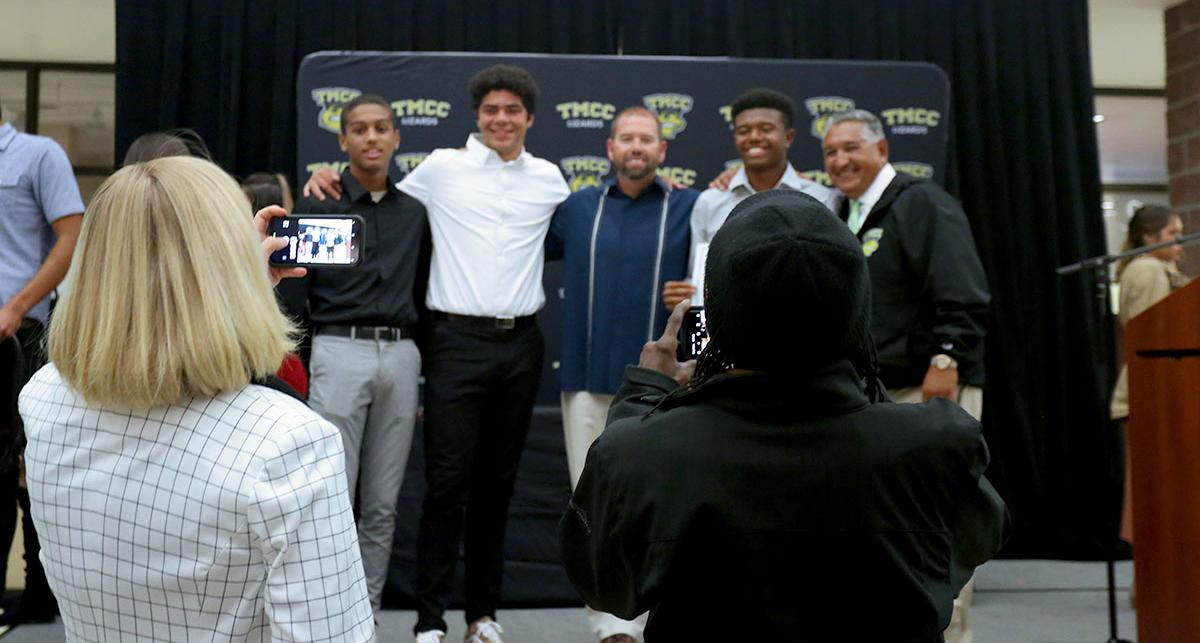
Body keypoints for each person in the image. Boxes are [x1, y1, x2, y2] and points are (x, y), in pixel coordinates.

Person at [559, 190, 1009, 641]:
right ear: (857, 309)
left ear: (715, 312)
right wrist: (864, 378)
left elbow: (606, 582)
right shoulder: (937, 444)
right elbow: (976, 540)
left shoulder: (644, 451)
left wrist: (643, 394)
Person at [17, 156, 374, 641]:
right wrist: (241, 293)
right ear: (230, 263)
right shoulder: (289, 444)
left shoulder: (42, 399)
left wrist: (240, 293)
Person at [304, 64, 570, 643]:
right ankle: (429, 620)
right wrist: (326, 177)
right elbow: (376, 189)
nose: (502, 119)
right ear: (477, 116)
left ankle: (483, 615)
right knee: (446, 486)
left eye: (513, 111)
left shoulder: (550, 178)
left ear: (529, 118)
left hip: (522, 344)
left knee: (498, 487)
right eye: (492, 110)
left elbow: (594, 218)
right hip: (453, 344)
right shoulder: (441, 171)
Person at [823, 108, 990, 642]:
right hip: (866, 397)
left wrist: (945, 360)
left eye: (851, 148)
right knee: (880, 536)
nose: (840, 160)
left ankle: (949, 636)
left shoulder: (924, 204)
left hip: (928, 387)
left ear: (882, 149)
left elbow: (963, 293)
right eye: (830, 152)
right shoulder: (841, 213)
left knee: (935, 528)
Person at [545, 106, 698, 643]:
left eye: (647, 140)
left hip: (666, 385)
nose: (636, 148)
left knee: (659, 506)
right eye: (626, 139)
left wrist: (695, 291)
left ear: (662, 150)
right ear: (610, 149)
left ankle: (660, 618)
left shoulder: (691, 206)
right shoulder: (576, 208)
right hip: (587, 378)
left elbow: (715, 264)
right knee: (595, 504)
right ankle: (612, 628)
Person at [293, 93, 431, 619]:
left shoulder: (415, 213)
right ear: (343, 140)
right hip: (337, 350)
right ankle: (327, 612)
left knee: (382, 503)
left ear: (396, 137)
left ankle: (364, 613)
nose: (372, 137)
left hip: (401, 356)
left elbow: (423, 291)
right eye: (360, 129)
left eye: (382, 128)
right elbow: (296, 298)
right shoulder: (318, 206)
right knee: (332, 496)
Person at [0, 103, 84, 626]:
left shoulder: (37, 154)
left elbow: (70, 236)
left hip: (18, 339)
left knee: (29, 468)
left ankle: (40, 596)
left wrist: (14, 307)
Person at [662, 88, 836, 308]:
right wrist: (682, 295)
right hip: (728, 335)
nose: (754, 137)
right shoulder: (709, 202)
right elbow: (697, 277)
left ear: (788, 137)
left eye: (766, 129)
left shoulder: (821, 200)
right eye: (744, 130)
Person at [1110, 204, 1188, 603]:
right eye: (1174, 234)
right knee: (1154, 493)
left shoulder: (1155, 270)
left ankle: (1154, 583)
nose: (1181, 243)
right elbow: (1154, 336)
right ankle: (1152, 585)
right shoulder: (1147, 270)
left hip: (1158, 395)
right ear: (1150, 237)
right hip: (1153, 397)